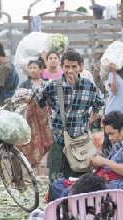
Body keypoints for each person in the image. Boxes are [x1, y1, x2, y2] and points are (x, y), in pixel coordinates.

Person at [31, 50, 105, 202]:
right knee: (55, 179)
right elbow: (40, 99)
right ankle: (54, 210)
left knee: (78, 181)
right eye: (66, 67)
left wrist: (94, 115)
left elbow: (100, 102)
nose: (70, 71)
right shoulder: (53, 85)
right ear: (61, 67)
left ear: (81, 67)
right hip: (59, 141)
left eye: (73, 67)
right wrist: (50, 111)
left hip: (80, 144)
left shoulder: (89, 86)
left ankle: (77, 211)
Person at [51, 110, 123, 199]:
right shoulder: (119, 145)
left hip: (113, 187)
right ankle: (75, 210)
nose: (110, 138)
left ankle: (74, 212)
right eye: (108, 134)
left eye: (112, 134)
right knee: (58, 184)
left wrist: (105, 162)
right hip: (104, 181)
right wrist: (96, 163)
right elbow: (110, 167)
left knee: (68, 192)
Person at [18, 60, 53, 179]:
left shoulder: (47, 83)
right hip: (31, 117)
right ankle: (39, 171)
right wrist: (28, 100)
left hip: (45, 117)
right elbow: (19, 99)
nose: (32, 70)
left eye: (35, 67)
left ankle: (42, 167)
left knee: (48, 141)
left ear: (41, 70)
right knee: (36, 142)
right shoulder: (24, 84)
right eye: (30, 67)